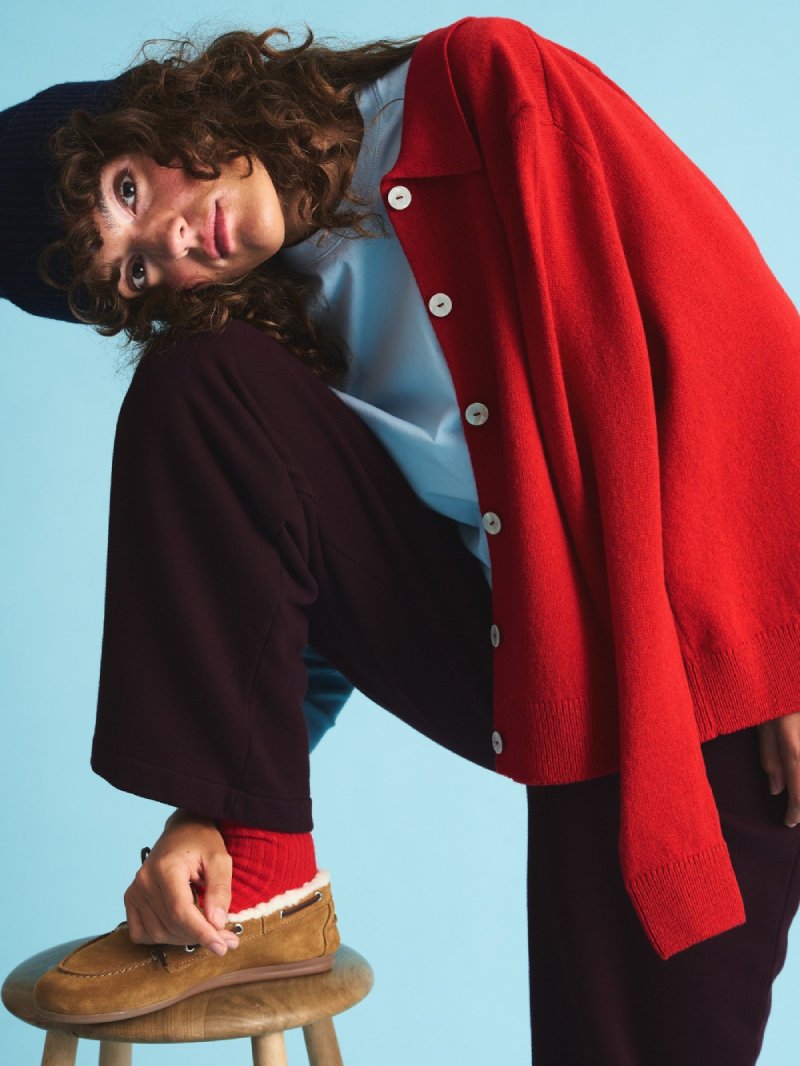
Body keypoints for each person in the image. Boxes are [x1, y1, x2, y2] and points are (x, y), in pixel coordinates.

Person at [2, 15, 800, 1063]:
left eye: (126, 192)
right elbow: (299, 592)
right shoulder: (266, 334)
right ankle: (269, 862)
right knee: (196, 388)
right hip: (530, 660)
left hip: (705, 650)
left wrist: (783, 643)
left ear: (157, 116)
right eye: (136, 273)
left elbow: (733, 331)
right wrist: (212, 813)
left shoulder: (475, 90)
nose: (176, 244)